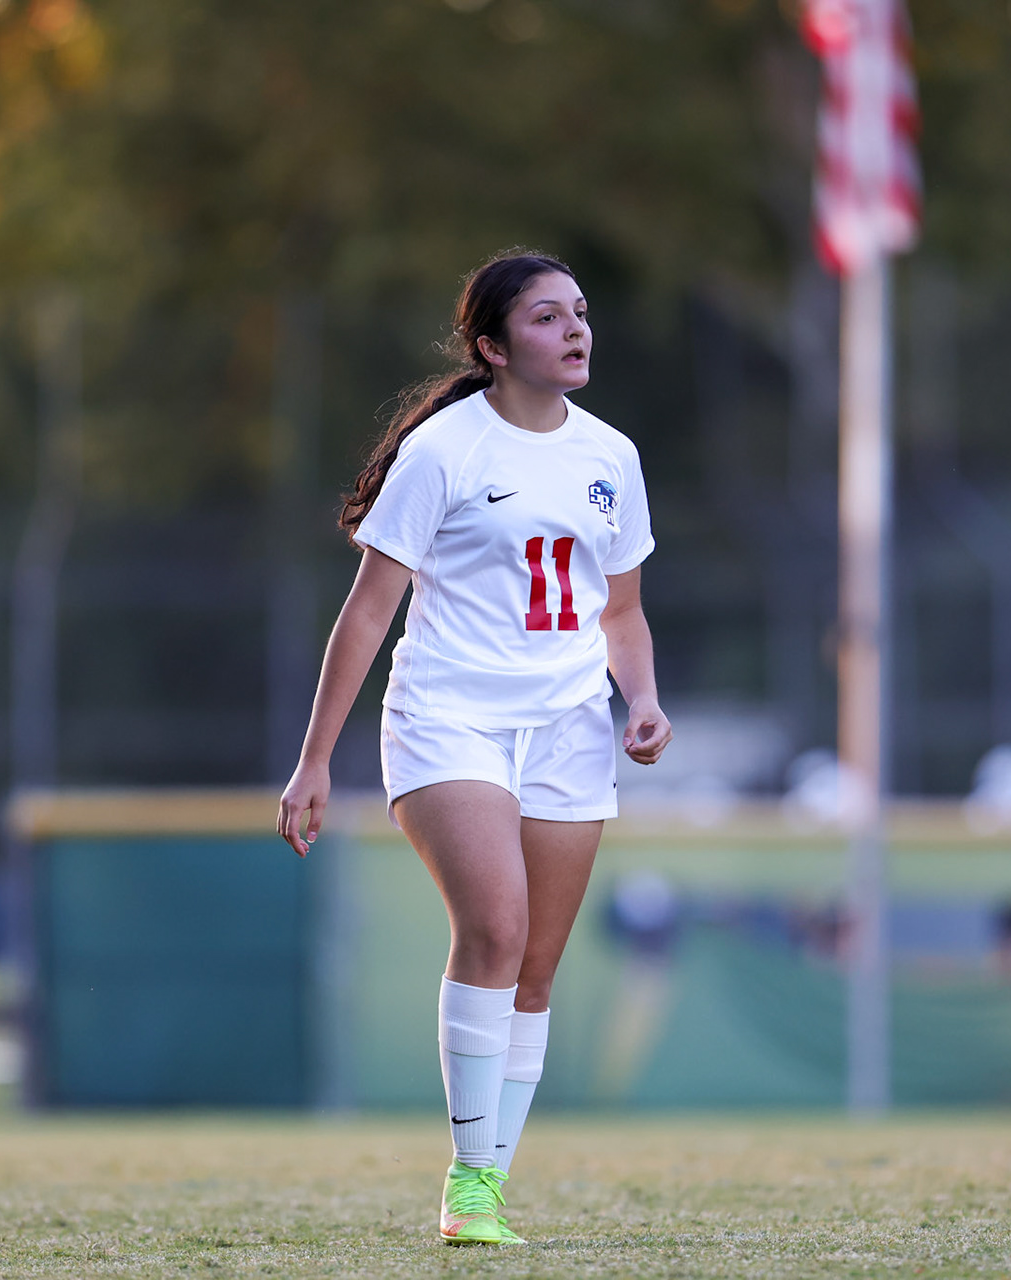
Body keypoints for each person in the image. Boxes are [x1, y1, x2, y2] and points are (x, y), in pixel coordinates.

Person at [277, 251, 672, 1245]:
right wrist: (314, 758)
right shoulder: (445, 451)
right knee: (493, 928)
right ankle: (466, 1183)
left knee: (535, 967)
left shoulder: (610, 457)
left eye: (580, 312)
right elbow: (369, 613)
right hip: (448, 718)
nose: (576, 329)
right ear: (493, 347)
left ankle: (491, 1183)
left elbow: (620, 610)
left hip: (569, 727)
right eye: (547, 317)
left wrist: (644, 699)